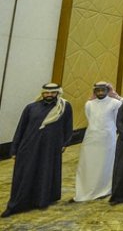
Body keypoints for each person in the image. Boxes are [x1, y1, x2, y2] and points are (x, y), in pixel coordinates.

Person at [2, 83, 73, 218]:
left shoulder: (64, 107)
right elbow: (21, 129)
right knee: (25, 174)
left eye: (52, 93)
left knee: (45, 173)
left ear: (58, 93)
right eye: (46, 93)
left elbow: (68, 126)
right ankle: (16, 205)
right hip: (29, 147)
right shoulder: (31, 107)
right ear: (42, 93)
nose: (49, 95)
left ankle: (42, 200)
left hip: (50, 148)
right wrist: (14, 149)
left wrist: (65, 143)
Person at [74, 82, 123, 202]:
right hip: (91, 137)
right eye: (98, 91)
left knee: (106, 164)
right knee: (89, 163)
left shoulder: (115, 103)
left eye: (103, 90)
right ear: (94, 92)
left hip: (108, 137)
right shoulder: (89, 104)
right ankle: (87, 188)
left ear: (107, 91)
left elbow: (117, 120)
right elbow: (89, 118)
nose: (100, 93)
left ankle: (105, 188)